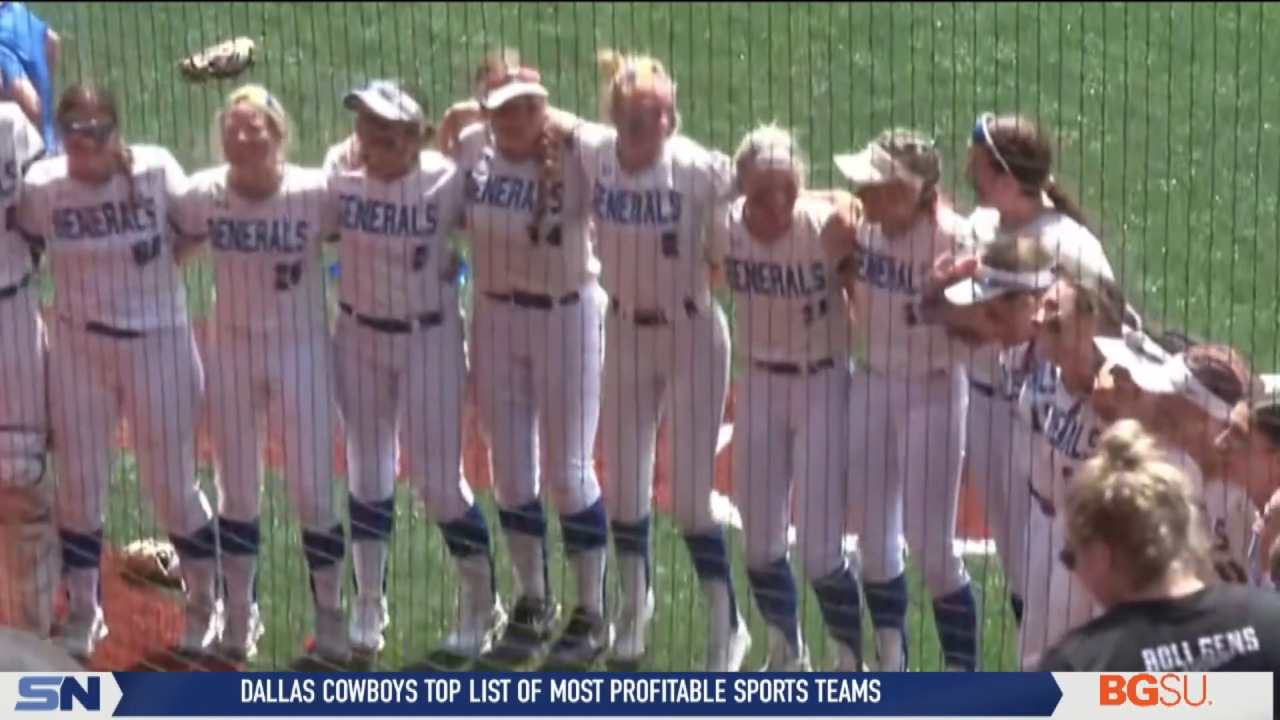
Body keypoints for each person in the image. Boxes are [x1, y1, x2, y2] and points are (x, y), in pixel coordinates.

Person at [551, 49, 745, 671]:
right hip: (625, 332)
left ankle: (728, 624)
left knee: (690, 502)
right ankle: (636, 610)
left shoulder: (697, 169)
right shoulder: (597, 152)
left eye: (661, 113)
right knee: (627, 491)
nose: (651, 125)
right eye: (637, 114)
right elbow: (554, 122)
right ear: (616, 116)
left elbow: (766, 179)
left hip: (692, 335)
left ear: (673, 115)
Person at [18, 84, 217, 662]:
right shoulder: (43, 188)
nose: (86, 144)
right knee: (78, 490)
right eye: (74, 133)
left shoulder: (156, 171)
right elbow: (26, 241)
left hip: (159, 346)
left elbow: (196, 228)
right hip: (80, 351)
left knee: (172, 486)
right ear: (62, 136)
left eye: (98, 131)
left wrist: (157, 277)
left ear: (116, 131)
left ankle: (212, 603)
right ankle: (83, 610)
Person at [442, 52, 611, 668]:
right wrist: (471, 114)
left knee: (568, 472)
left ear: (546, 104)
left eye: (528, 103)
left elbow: (616, 141)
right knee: (511, 471)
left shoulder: (579, 150)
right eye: (502, 105)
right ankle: (532, 599)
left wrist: (551, 119)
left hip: (568, 314)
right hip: (494, 316)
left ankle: (592, 609)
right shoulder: (470, 146)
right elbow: (448, 153)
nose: (517, 116)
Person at [325, 80, 500, 663]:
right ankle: (369, 605)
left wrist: (469, 118)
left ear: (414, 136)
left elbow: (497, 216)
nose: (369, 135)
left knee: (437, 480)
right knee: (367, 471)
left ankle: (482, 603)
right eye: (364, 123)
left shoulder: (446, 180)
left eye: (384, 127)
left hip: (430, 338)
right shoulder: (339, 173)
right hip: (358, 337)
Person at [174, 85, 347, 665]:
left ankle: (331, 617)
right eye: (235, 127)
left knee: (312, 491)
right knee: (237, 490)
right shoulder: (205, 193)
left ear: (281, 135)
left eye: (258, 128)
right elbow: (174, 244)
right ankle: (240, 614)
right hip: (232, 352)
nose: (245, 137)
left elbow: (366, 240)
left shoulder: (314, 193)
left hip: (303, 353)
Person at [709, 124, 866, 670]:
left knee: (822, 548)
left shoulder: (825, 226)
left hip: (824, 383)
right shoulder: (725, 229)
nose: (777, 202)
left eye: (788, 188)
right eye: (763, 191)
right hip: (760, 386)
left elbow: (865, 302)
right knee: (759, 545)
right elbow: (705, 274)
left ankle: (850, 663)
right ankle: (786, 650)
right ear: (741, 190)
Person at [830, 129, 978, 671]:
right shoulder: (861, 224)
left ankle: (963, 676)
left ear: (907, 191)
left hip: (934, 390)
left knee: (934, 551)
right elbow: (819, 202)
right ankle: (891, 666)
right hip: (872, 384)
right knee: (873, 541)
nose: (861, 191)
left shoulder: (956, 240)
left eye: (874, 183)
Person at [1037, 419, 1280, 672]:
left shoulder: (1077, 666)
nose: (1076, 573)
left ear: (1102, 556)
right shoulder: (1272, 625)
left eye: (1071, 556)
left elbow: (1002, 706)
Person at [926, 232, 1057, 638]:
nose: (986, 324)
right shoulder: (1019, 349)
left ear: (1027, 303)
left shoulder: (1067, 366)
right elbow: (940, 312)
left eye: (994, 313)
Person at [1092, 336, 1262, 585]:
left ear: (1208, 415)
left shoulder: (1251, 494)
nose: (1162, 402)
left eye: (1176, 398)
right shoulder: (1178, 465)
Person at [0, 99, 50, 638]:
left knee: (21, 471)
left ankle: (31, 629)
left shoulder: (10, 125)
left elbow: (47, 211)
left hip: (11, 309)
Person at [0, 2, 59, 151]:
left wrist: (38, 120)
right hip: (12, 12)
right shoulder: (19, 11)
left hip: (38, 147)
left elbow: (19, 88)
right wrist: (44, 93)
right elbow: (53, 41)